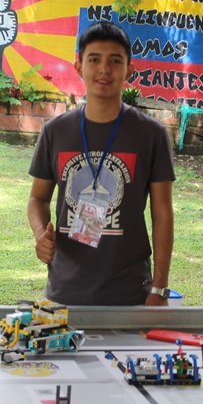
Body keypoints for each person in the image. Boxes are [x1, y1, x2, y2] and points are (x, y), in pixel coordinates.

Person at [27, 21, 175, 306]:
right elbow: (37, 198)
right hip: (66, 288)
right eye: (94, 59)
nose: (104, 69)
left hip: (130, 291)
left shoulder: (151, 134)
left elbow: (162, 215)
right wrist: (40, 234)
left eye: (115, 61)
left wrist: (159, 288)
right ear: (79, 67)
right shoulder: (55, 132)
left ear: (129, 70)